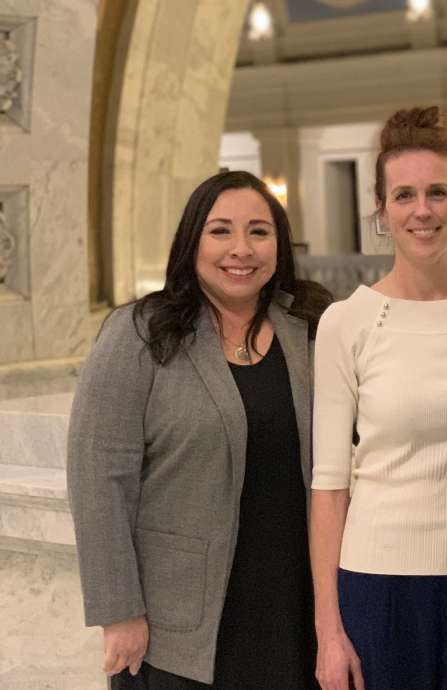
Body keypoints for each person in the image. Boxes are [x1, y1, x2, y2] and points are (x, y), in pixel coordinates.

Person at [66, 170, 332, 688]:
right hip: (180, 624)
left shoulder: (312, 326)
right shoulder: (141, 332)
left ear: (280, 242)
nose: (241, 249)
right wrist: (119, 611)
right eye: (220, 231)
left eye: (259, 231)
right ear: (192, 240)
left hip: (295, 608)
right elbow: (98, 477)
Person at [310, 106, 447, 690]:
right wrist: (329, 631)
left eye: (436, 192)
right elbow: (329, 488)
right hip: (378, 586)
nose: (421, 210)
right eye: (403, 195)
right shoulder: (346, 322)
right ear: (381, 211)